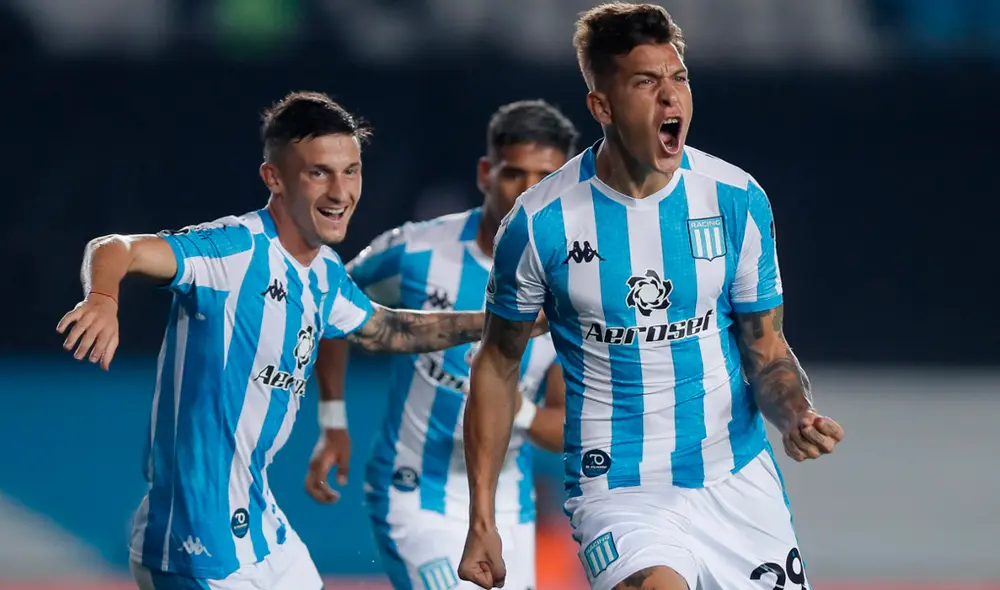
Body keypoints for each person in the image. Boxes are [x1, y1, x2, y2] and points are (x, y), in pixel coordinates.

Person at [55, 91, 538, 590]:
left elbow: (386, 329)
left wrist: (500, 319)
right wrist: (104, 299)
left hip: (261, 528)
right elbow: (116, 247)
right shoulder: (234, 250)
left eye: (351, 171)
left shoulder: (324, 273)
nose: (340, 191)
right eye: (319, 173)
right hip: (193, 544)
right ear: (274, 178)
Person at [458, 4, 845, 590]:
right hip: (619, 488)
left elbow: (766, 348)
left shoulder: (735, 199)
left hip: (735, 479)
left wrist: (795, 414)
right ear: (602, 106)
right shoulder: (541, 223)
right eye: (646, 82)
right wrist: (482, 520)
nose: (672, 99)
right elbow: (496, 364)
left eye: (679, 78)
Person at [304, 100, 579, 590]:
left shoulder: (576, 289)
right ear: (484, 173)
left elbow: (567, 427)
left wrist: (520, 413)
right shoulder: (415, 251)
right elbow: (330, 308)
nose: (529, 193)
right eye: (515, 174)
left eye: (547, 179)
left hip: (507, 509)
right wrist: (332, 420)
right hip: (411, 491)